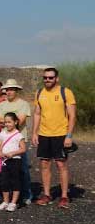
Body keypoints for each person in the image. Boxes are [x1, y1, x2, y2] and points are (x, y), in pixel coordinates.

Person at [32, 67, 77, 209]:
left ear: (56, 78)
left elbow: (72, 116)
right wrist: (34, 132)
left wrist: (69, 135)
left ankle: (64, 196)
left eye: (50, 77)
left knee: (61, 165)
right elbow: (37, 114)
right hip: (44, 134)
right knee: (44, 164)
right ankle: (46, 195)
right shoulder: (39, 93)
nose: (47, 80)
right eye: (45, 77)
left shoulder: (66, 92)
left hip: (61, 134)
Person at [0, 79, 32, 205]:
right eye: (7, 89)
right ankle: (8, 197)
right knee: (5, 171)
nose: (9, 92)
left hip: (18, 139)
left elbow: (20, 122)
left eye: (12, 89)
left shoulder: (23, 104)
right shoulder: (1, 105)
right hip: (5, 141)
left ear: (16, 90)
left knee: (22, 169)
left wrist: (5, 121)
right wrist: (9, 121)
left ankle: (26, 194)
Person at [0, 112, 26, 211]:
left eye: (9, 122)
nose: (7, 124)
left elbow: (23, 149)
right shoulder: (3, 133)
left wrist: (12, 153)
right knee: (4, 181)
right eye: (5, 122)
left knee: (15, 181)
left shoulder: (18, 135)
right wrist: (0, 152)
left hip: (15, 160)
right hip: (4, 160)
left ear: (15, 122)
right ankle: (5, 201)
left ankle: (13, 202)